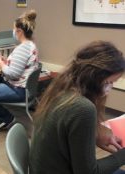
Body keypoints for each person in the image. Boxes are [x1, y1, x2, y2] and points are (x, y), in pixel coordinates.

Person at [29, 41, 125, 174]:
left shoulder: (60, 90)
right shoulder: (83, 108)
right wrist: (122, 156)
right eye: (109, 82)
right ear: (94, 77)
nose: (110, 88)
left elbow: (64, 133)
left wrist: (96, 135)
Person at [0, 10, 39, 133]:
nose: (13, 32)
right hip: (20, 87)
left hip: (18, 90)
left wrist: (0, 62)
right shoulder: (30, 45)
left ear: (20, 31)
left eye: (14, 29)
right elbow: (19, 66)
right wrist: (5, 61)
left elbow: (13, 74)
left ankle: (4, 119)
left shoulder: (23, 48)